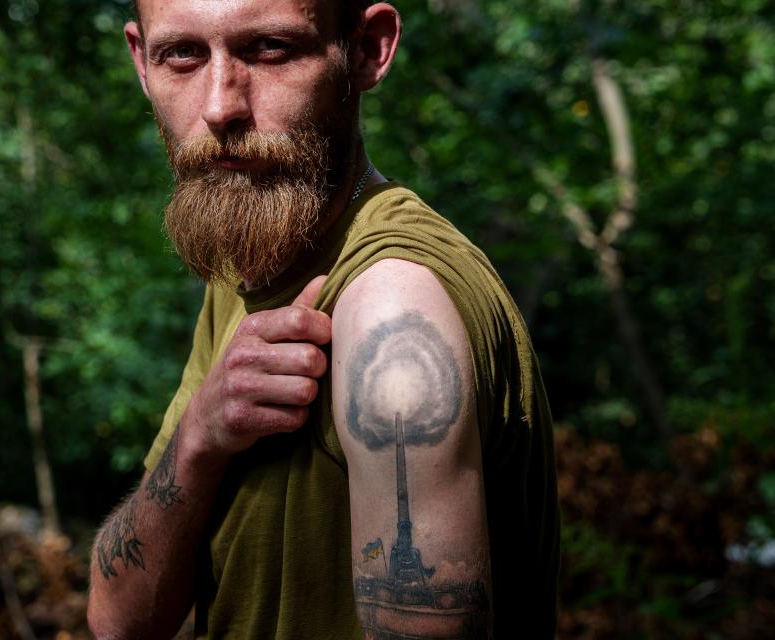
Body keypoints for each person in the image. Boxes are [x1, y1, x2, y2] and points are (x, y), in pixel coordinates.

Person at [87, 1, 559, 638]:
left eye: (271, 50)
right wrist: (200, 437)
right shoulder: (249, 251)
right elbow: (117, 621)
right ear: (142, 62)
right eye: (184, 55)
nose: (221, 105)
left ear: (367, 50)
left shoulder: (393, 308)